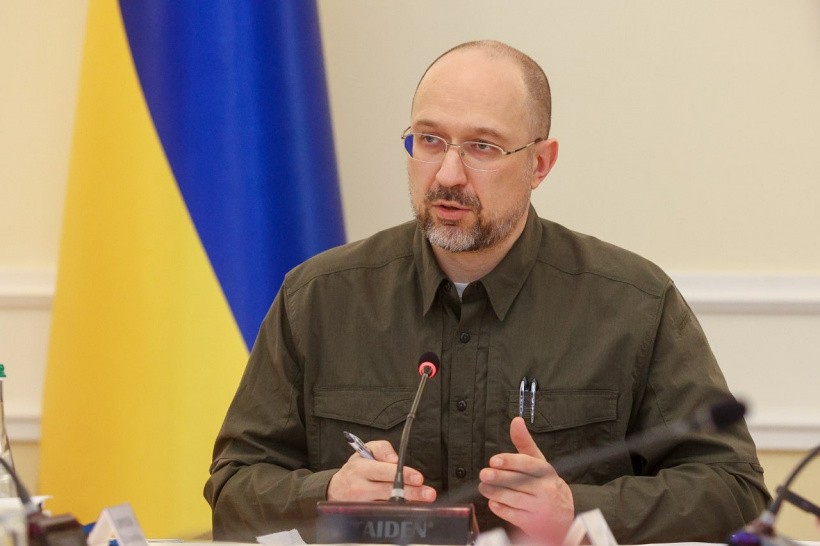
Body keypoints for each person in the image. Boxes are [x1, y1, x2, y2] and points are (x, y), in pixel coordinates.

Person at [205, 40, 770, 543]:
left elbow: (733, 489)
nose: (447, 174)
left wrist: (575, 510)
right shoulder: (319, 297)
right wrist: (329, 493)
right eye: (430, 140)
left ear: (539, 163)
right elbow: (234, 487)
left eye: (482, 147)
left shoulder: (632, 304)